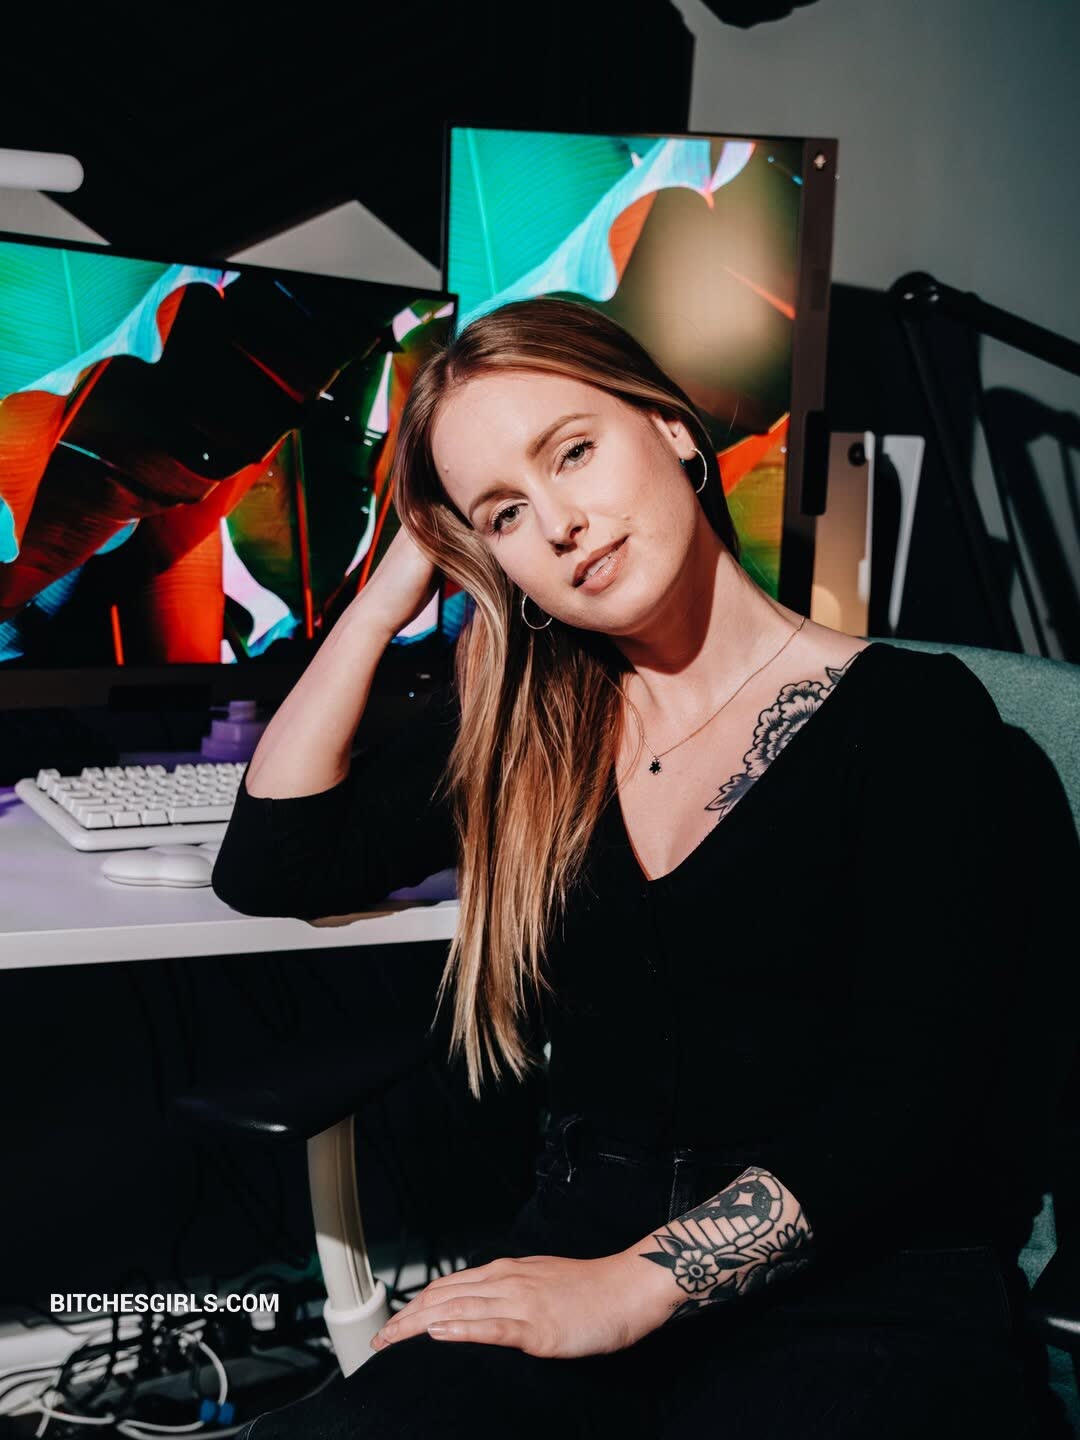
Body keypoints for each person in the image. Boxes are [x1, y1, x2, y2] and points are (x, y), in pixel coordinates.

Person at [210, 297, 1078, 1438]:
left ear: (671, 428)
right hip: (578, 1252)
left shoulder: (914, 722)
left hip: (859, 1279)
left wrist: (636, 1288)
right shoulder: (534, 731)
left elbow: (910, 1107)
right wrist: (387, 594)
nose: (560, 524)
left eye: (572, 452)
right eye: (505, 512)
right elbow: (273, 864)